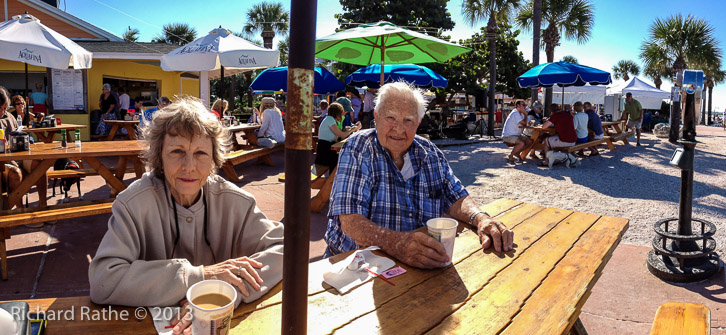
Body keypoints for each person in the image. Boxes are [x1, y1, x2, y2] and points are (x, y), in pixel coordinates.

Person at [87, 98, 284, 332]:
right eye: (177, 151)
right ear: (159, 156)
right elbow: (103, 281)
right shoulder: (133, 204)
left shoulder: (236, 202)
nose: (189, 166)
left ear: (214, 158)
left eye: (200, 153)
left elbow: (285, 249)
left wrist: (225, 291)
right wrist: (198, 277)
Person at [324, 81, 514, 267]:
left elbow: (456, 196)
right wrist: (398, 243)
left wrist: (481, 218)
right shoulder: (358, 147)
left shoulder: (429, 153)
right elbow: (350, 220)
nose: (399, 129)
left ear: (418, 123)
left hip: (415, 264)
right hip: (353, 266)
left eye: (408, 120)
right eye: (390, 118)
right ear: (376, 116)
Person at [316, 102, 361, 177]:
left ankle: (332, 181)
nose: (343, 114)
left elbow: (338, 135)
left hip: (325, 150)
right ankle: (332, 182)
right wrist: (352, 129)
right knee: (343, 159)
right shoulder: (330, 119)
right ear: (337, 113)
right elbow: (342, 136)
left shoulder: (330, 119)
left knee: (341, 158)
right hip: (325, 152)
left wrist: (346, 130)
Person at [0, 87, 25, 190]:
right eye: (0, 108)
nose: (3, 112)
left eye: (5, 108)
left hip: (16, 154)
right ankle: (13, 204)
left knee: (39, 166)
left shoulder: (10, 116)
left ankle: (42, 204)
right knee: (16, 173)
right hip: (4, 159)